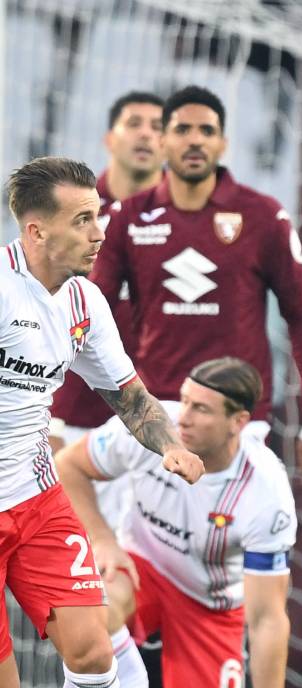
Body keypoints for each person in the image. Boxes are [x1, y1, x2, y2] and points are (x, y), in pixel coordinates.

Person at [0, 156, 203, 688]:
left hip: (35, 499)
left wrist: (167, 445)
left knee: (93, 652)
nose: (99, 230)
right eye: (82, 219)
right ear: (35, 231)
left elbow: (132, 397)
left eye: (100, 215)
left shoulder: (85, 304)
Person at [56, 357, 302, 688]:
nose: (182, 417)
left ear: (239, 422)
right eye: (184, 401)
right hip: (141, 569)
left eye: (201, 409)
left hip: (211, 604)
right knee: (97, 606)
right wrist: (104, 541)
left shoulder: (266, 492)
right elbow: (68, 466)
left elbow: (267, 620)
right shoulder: (150, 427)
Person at [90, 84, 302, 483]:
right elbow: (91, 312)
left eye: (207, 131)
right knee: (140, 543)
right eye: (183, 129)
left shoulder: (263, 216)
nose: (195, 140)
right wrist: (57, 410)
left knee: (234, 539)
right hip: (156, 419)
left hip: (239, 419)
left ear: (223, 144)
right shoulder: (129, 217)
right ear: (163, 141)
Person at [52, 91, 164, 453]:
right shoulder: (68, 215)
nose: (145, 134)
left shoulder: (192, 223)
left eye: (157, 127)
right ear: (109, 139)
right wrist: (49, 417)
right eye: (134, 124)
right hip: (72, 419)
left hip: (160, 422)